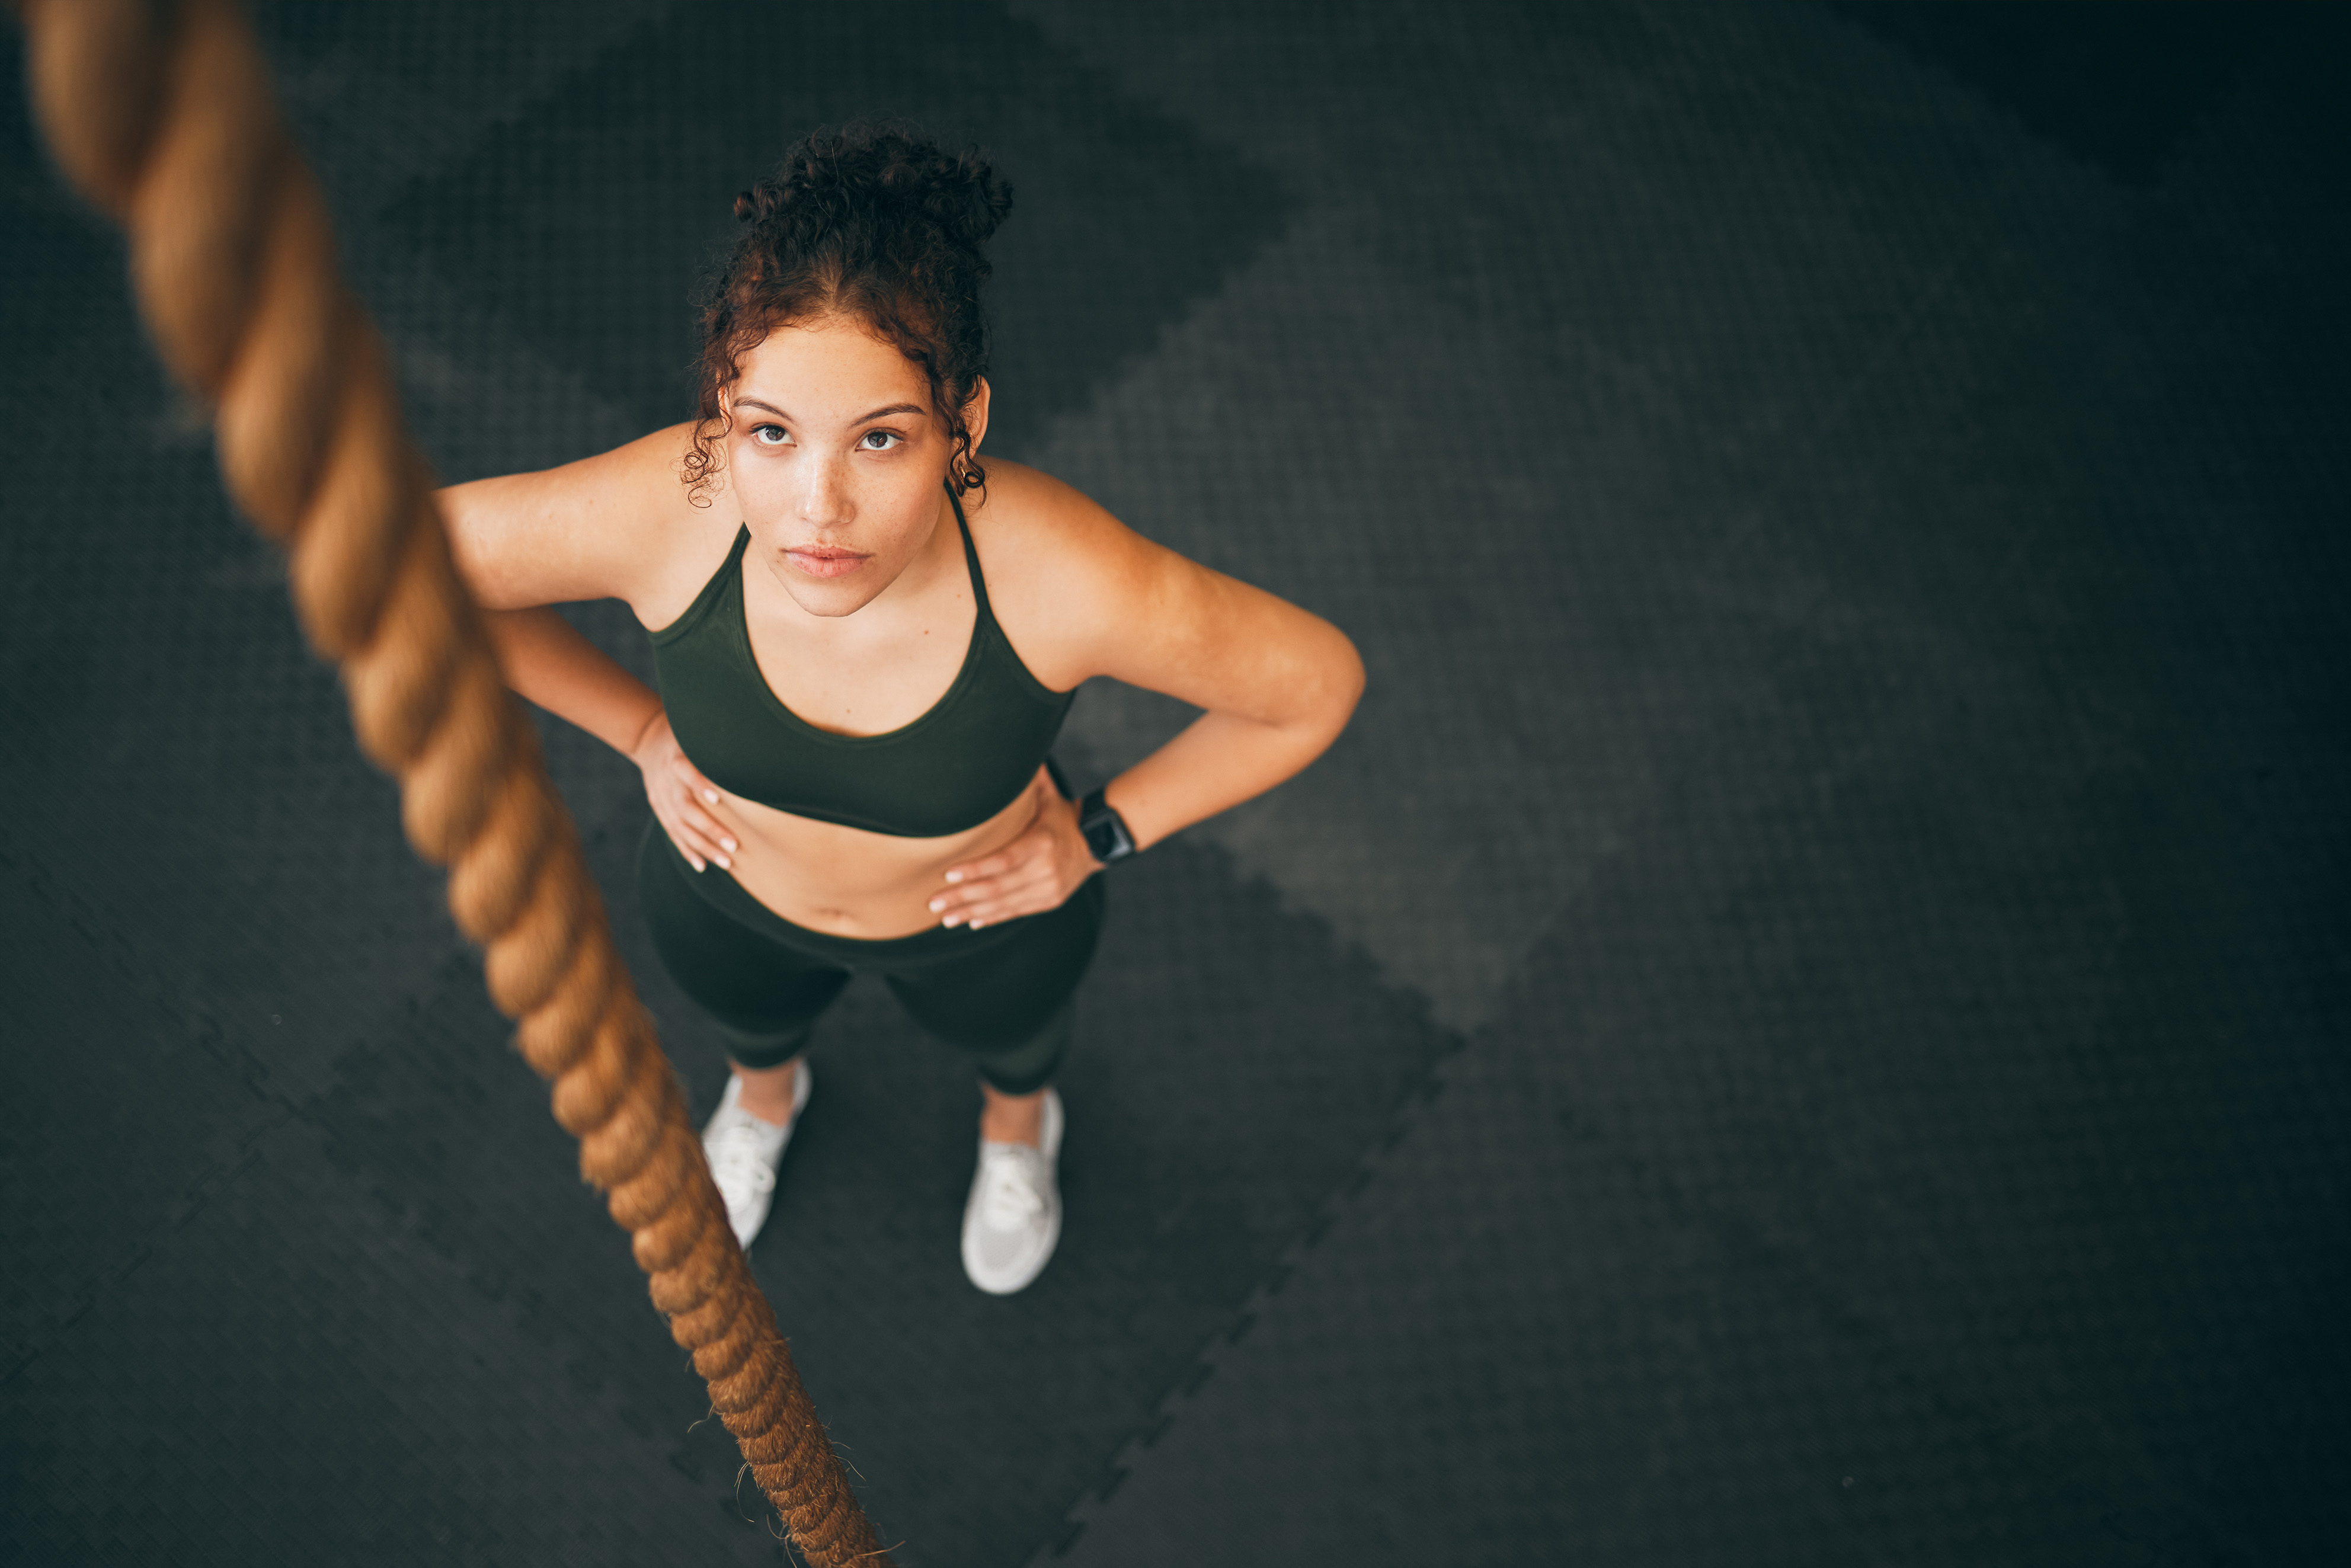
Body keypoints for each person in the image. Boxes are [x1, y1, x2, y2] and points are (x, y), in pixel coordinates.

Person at [440, 124, 1362, 1295]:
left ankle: (1017, 1136)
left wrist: (1099, 834)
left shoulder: (1064, 577)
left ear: (963, 424)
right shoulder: (672, 504)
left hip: (986, 927)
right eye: (769, 432)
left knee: (1015, 1062)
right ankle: (766, 1105)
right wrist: (635, 731)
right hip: (728, 897)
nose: (817, 507)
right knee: (752, 1036)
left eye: (880, 438)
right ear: (725, 410)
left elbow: (1312, 687)